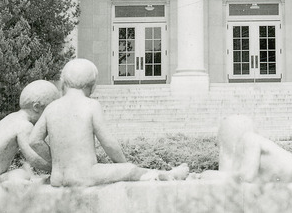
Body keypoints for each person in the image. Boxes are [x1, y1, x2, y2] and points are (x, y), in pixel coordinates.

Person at [22, 58, 189, 186]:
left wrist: (55, 161)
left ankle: (163, 174)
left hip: (58, 177)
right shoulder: (91, 105)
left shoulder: (52, 107)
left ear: (63, 82)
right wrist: (123, 165)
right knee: (130, 170)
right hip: (85, 175)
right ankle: (166, 175)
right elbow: (108, 143)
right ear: (92, 86)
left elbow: (34, 141)